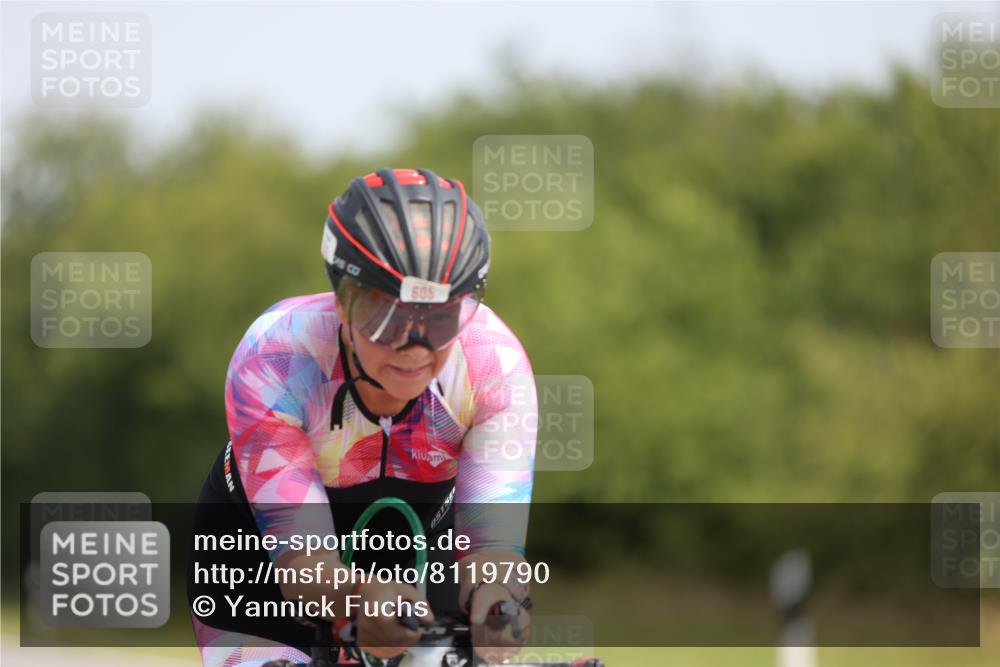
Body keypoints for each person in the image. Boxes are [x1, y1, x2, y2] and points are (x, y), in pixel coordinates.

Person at [188, 168, 537, 667]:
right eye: (384, 315)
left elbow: (494, 549)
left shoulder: (492, 364)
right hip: (259, 557)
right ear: (341, 299)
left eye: (441, 317)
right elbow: (303, 563)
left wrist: (500, 604)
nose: (412, 346)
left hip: (416, 540)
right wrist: (357, 598)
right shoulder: (278, 354)